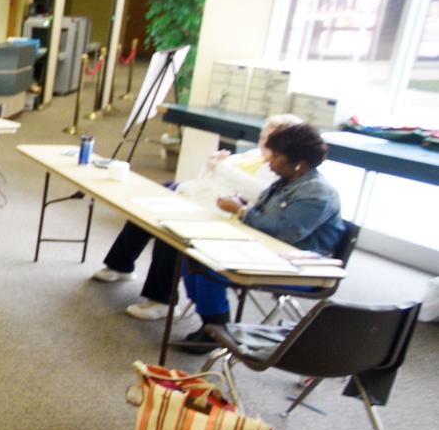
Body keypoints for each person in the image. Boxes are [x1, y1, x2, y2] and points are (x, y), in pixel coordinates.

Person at [149, 123, 345, 350]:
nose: (269, 162)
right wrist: (243, 206)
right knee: (193, 252)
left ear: (298, 162)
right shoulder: (286, 182)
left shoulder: (317, 192)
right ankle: (211, 320)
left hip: (301, 268)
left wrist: (241, 211)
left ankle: (216, 327)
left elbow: (285, 232)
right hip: (268, 251)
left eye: (277, 156)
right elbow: (264, 217)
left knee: (209, 266)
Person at [94, 113, 305, 320]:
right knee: (144, 208)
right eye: (262, 137)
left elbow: (257, 192)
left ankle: (162, 301)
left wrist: (222, 167)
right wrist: (213, 166)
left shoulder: (277, 169)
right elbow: (209, 175)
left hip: (224, 215)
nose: (264, 144)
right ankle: (120, 265)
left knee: (169, 229)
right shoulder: (250, 156)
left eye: (271, 139)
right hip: (200, 197)